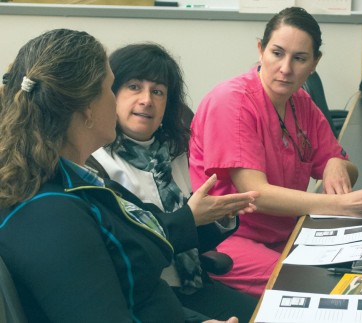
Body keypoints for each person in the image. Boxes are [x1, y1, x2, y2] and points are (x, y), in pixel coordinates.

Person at [0, 29, 256, 323]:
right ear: (87, 108)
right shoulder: (49, 214)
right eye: (113, 88)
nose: (143, 100)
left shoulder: (79, 184)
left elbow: (139, 294)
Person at [188, 7, 362, 297]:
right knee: (323, 288)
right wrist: (344, 205)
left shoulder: (300, 102)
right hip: (229, 240)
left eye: (299, 58)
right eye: (277, 53)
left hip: (289, 234)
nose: (286, 68)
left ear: (314, 63)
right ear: (260, 50)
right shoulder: (231, 102)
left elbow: (348, 169)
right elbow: (255, 193)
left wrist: (336, 163)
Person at [91, 43, 259, 321]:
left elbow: (190, 238)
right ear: (111, 94)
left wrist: (220, 217)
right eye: (134, 87)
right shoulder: (97, 163)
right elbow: (133, 251)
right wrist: (190, 217)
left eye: (158, 92)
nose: (147, 100)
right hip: (146, 298)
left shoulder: (174, 152)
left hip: (194, 286)